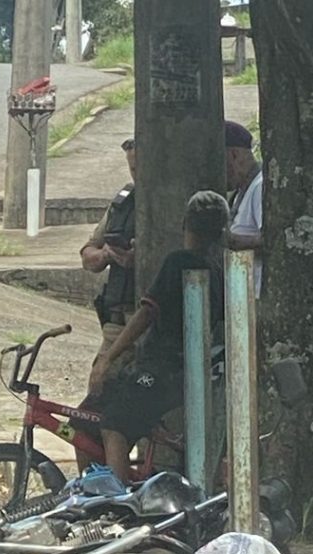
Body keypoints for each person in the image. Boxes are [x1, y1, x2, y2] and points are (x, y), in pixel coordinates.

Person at [78, 190, 230, 483]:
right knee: (84, 419)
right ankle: (95, 489)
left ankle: (117, 505)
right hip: (162, 368)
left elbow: (145, 314)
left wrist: (108, 359)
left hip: (163, 370)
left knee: (114, 424)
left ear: (186, 225)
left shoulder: (179, 262)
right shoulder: (221, 270)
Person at [76, 137, 139, 473]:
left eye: (139, 164)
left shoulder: (166, 199)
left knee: (111, 418)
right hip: (113, 324)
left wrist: (138, 259)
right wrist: (105, 256)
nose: (136, 172)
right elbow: (88, 252)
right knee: (89, 415)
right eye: (131, 166)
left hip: (140, 323)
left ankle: (117, 492)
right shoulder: (123, 202)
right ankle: (93, 485)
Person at [224, 121, 264, 298]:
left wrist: (230, 241)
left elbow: (273, 242)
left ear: (233, 155)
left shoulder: (260, 187)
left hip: (256, 295)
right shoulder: (240, 191)